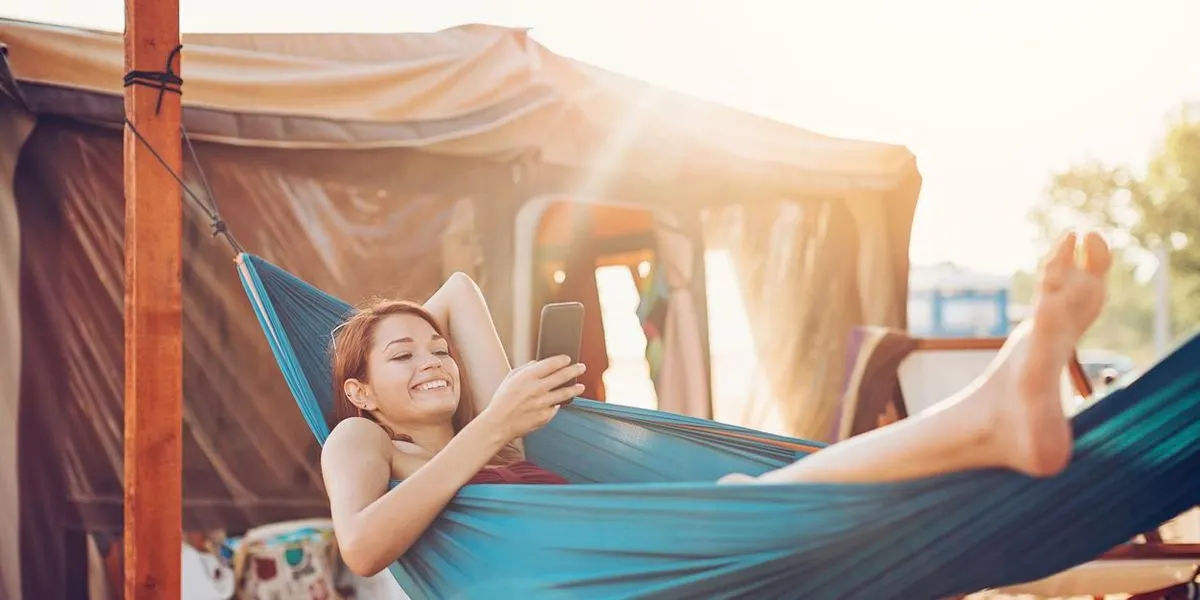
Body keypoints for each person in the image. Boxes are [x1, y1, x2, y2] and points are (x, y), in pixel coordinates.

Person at [321, 230, 1112, 577]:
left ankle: (992, 427)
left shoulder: (489, 440)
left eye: (440, 350)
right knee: (751, 509)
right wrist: (479, 414)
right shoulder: (365, 442)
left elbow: (456, 294)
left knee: (772, 516)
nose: (434, 360)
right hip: (582, 568)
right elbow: (361, 547)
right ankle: (990, 412)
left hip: (603, 547)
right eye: (405, 358)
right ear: (359, 393)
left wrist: (409, 352)